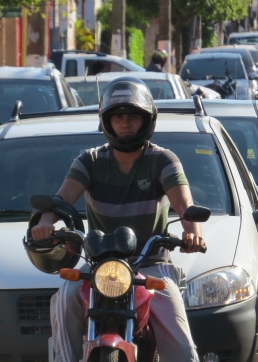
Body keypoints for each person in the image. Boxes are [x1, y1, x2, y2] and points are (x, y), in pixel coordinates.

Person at [30, 77, 205, 362]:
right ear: (106, 121)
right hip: (99, 269)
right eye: (119, 117)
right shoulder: (90, 161)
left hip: (151, 267)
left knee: (182, 346)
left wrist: (193, 232)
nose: (125, 124)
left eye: (133, 117)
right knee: (64, 296)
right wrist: (46, 221)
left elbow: (185, 206)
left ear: (147, 120)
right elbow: (60, 200)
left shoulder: (163, 160)